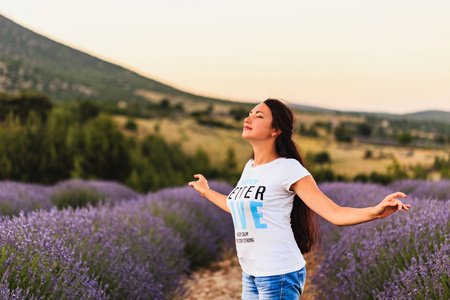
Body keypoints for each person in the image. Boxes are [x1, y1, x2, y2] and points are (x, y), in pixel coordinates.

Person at [188, 98, 410, 300]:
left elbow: (335, 213)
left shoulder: (289, 169)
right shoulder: (250, 168)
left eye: (259, 115)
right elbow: (239, 208)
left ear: (276, 130)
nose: (248, 118)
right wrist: (206, 191)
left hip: (278, 275)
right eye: (250, 113)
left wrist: (376, 211)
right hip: (252, 273)